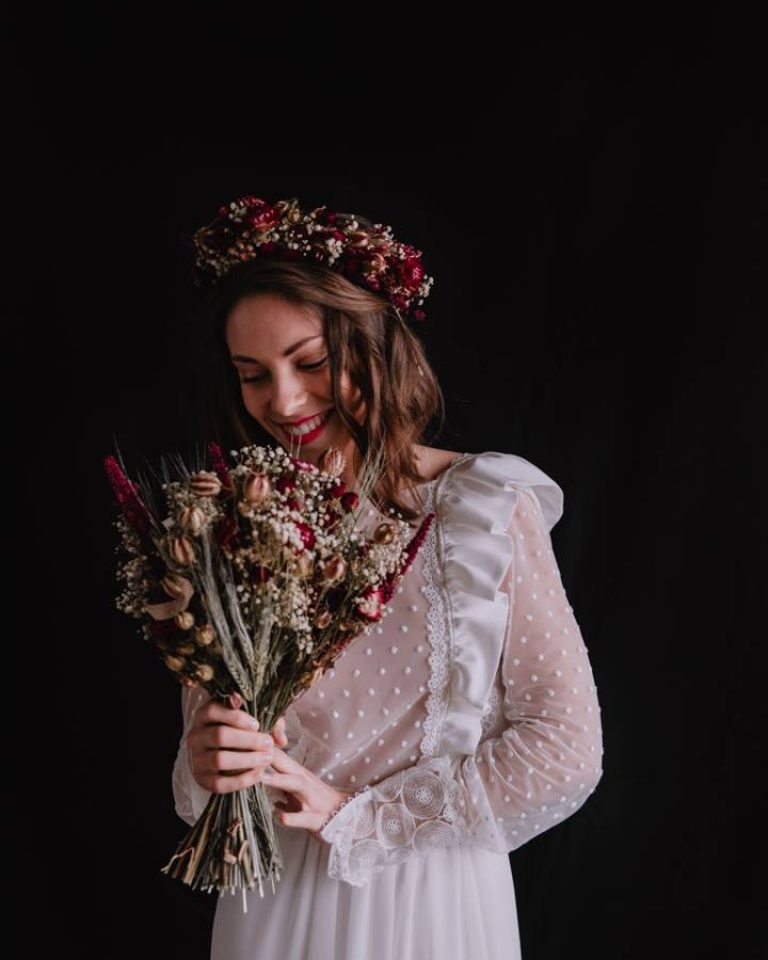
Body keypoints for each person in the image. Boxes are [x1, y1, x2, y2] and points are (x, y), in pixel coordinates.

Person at [170, 195, 605, 960]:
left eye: (309, 363)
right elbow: (204, 766)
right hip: (271, 900)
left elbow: (565, 748)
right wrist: (208, 761)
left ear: (375, 346)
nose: (283, 400)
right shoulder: (238, 527)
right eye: (252, 374)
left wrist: (363, 819)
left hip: (426, 900)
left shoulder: (480, 511)